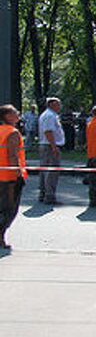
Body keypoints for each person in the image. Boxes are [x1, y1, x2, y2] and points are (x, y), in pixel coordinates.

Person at [0, 105, 28, 250]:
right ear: (7, 116)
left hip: (2, 175)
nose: (18, 115)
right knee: (9, 209)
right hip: (9, 177)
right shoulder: (13, 133)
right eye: (15, 113)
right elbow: (12, 156)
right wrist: (18, 174)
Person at [38, 97, 65, 205]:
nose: (60, 106)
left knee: (45, 170)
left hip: (46, 145)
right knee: (51, 171)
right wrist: (54, 147)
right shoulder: (50, 115)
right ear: (52, 104)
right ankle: (49, 196)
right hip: (49, 146)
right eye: (58, 104)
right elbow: (48, 131)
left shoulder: (48, 114)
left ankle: (43, 194)